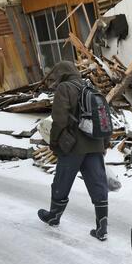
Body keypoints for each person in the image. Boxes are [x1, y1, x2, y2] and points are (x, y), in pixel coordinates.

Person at [37, 60, 110, 241]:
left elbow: (59, 120)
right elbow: (105, 117)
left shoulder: (65, 88)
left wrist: (54, 144)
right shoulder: (91, 88)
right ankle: (102, 226)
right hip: (95, 143)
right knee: (98, 183)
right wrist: (105, 143)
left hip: (73, 146)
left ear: (62, 74)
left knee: (62, 180)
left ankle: (54, 216)